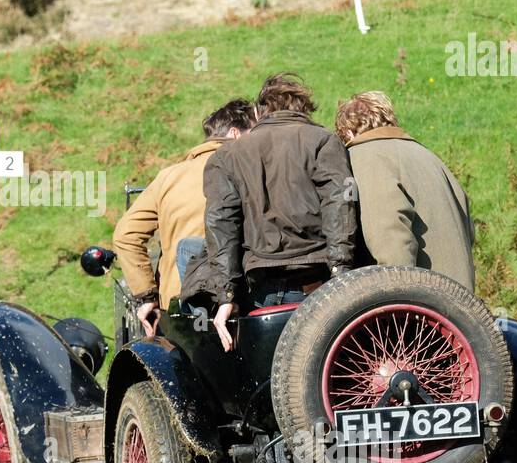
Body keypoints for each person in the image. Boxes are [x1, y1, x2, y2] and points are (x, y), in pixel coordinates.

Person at [184, 73, 357, 352]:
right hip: (321, 283)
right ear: (304, 106)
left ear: (258, 111)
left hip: (263, 291)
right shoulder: (323, 140)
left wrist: (226, 294)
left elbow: (221, 222)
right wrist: (342, 270)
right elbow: (340, 203)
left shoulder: (226, 157)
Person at [112, 99, 259, 335]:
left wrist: (147, 294)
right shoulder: (249, 171)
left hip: (179, 305)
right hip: (239, 302)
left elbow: (125, 234)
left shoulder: (167, 177)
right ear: (236, 134)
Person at [335, 91, 476, 290]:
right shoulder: (429, 157)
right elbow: (469, 230)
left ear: (347, 133)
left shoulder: (366, 157)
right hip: (459, 306)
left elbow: (391, 241)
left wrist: (395, 300)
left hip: (419, 309)